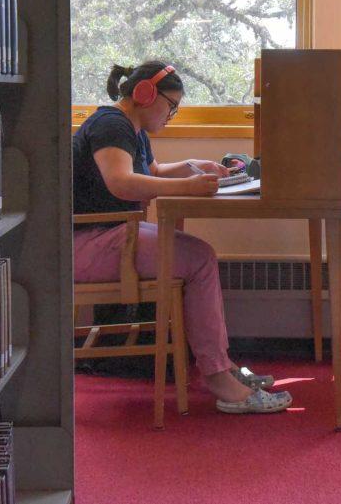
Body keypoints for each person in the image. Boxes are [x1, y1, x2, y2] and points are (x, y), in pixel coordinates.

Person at [72, 60, 292, 414]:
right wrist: (186, 185)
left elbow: (152, 171)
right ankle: (219, 375)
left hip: (108, 234)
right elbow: (122, 182)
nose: (171, 115)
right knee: (199, 258)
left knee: (198, 256)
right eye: (171, 106)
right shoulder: (111, 125)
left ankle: (222, 367)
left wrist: (194, 165)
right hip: (87, 242)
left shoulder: (130, 128)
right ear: (145, 94)